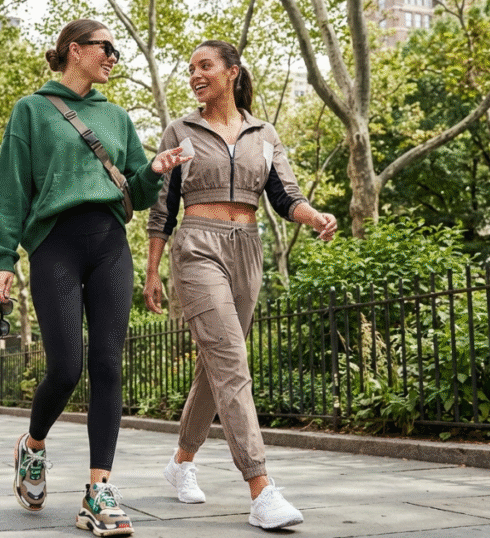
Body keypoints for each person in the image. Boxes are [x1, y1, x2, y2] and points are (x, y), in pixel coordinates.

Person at [0, 18, 190, 537]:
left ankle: (98, 491)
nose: (113, 57)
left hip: (109, 246)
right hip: (54, 246)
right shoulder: (31, 111)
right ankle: (33, 446)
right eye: (106, 48)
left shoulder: (117, 117)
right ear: (75, 50)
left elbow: (139, 195)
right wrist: (3, 258)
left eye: (116, 51)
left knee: (107, 363)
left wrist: (156, 169)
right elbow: (11, 189)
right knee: (66, 367)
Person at [145, 40, 337, 530]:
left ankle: (181, 463)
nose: (194, 74)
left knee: (216, 367)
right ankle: (261, 488)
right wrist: (152, 270)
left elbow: (283, 193)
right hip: (197, 247)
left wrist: (313, 217)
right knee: (231, 361)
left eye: (204, 66)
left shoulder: (263, 132)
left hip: (248, 248)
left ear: (231, 73)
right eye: (190, 68)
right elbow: (163, 206)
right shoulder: (181, 130)